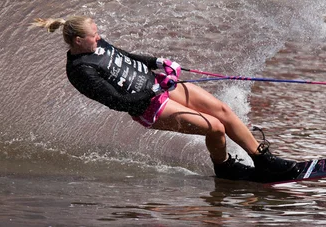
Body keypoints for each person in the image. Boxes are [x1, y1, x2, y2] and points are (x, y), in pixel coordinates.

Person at [31, 16, 298, 182]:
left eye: (98, 33)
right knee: (215, 128)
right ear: (78, 41)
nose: (99, 37)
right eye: (93, 35)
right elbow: (118, 102)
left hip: (160, 84)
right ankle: (226, 169)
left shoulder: (97, 44)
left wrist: (158, 62)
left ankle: (264, 161)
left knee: (223, 111)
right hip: (149, 106)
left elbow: (127, 56)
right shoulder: (80, 71)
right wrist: (156, 92)